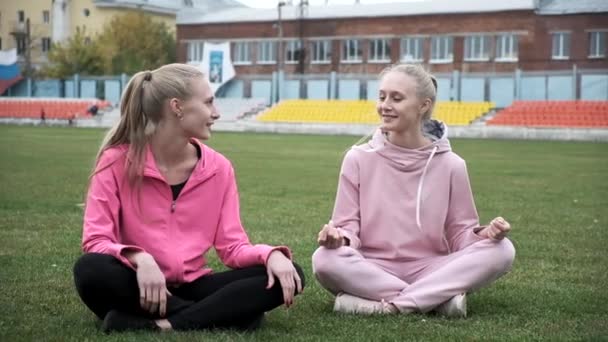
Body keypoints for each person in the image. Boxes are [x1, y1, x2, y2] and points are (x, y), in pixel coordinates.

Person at [73, 63, 304, 333]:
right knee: (90, 269)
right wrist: (140, 259)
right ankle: (223, 314)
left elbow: (233, 247)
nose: (215, 113)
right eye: (208, 103)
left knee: (290, 271)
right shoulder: (115, 161)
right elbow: (96, 240)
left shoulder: (219, 168)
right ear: (177, 107)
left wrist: (270, 255)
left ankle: (163, 325)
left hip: (194, 286)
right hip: (137, 283)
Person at [312, 63, 515, 317]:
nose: (385, 105)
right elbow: (347, 226)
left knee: (503, 250)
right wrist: (338, 239)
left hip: (431, 267)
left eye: (396, 98)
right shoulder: (357, 158)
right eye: (382, 96)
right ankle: (436, 300)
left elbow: (460, 235)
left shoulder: (452, 165)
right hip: (371, 266)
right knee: (324, 258)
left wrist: (486, 234)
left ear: (423, 105)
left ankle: (390, 306)